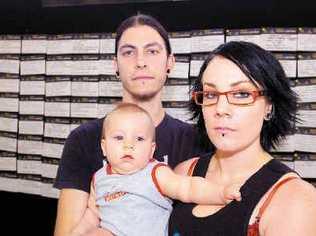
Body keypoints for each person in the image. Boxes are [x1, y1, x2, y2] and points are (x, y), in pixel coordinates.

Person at [53, 14, 208, 236]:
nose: (141, 61)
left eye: (152, 51)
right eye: (128, 52)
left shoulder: (195, 141)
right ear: (116, 65)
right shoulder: (84, 139)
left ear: (170, 62)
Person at [168, 41, 316, 236]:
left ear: (269, 106)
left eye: (241, 94)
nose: (220, 109)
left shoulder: (294, 199)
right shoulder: (184, 172)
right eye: (211, 94)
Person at [70, 103, 241, 236]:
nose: (128, 145)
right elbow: (93, 212)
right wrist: (78, 231)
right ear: (104, 147)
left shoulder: (155, 173)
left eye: (139, 138)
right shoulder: (99, 178)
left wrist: (220, 193)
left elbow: (188, 188)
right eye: (119, 137)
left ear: (151, 150)